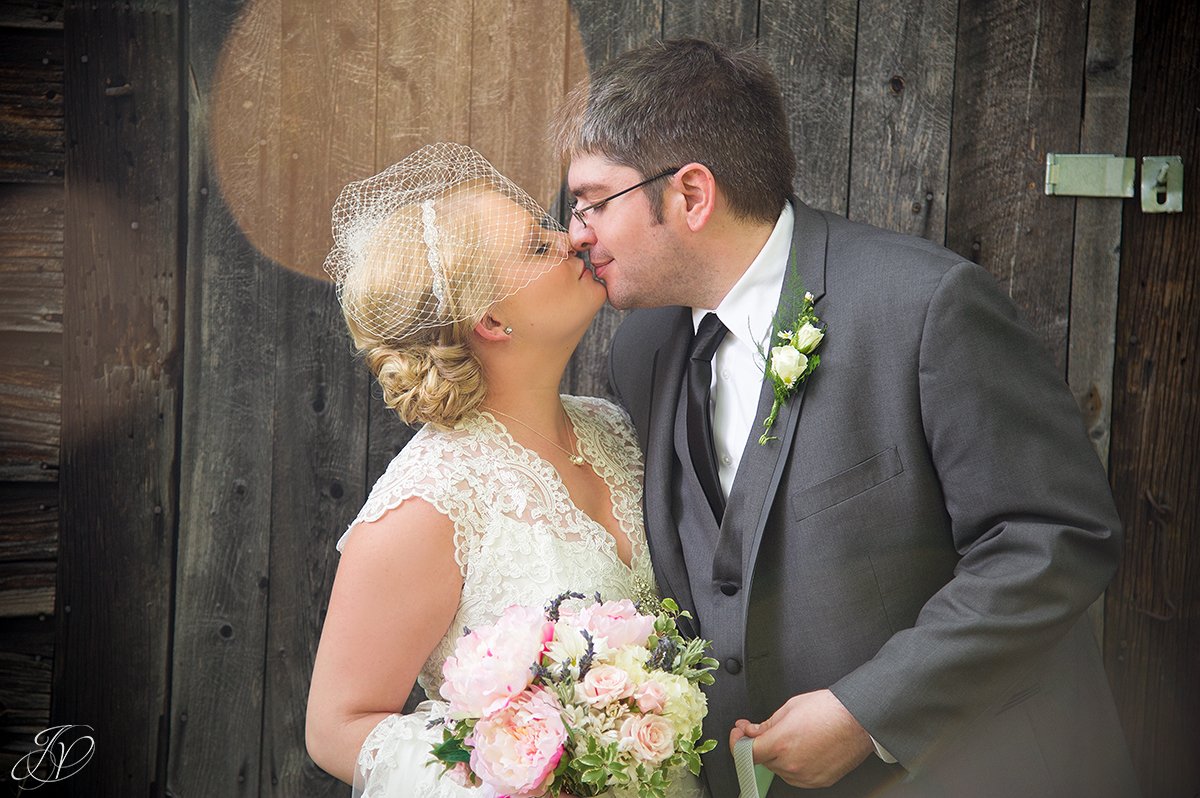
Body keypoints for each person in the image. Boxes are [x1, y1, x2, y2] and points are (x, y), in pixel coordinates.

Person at [553, 38, 1140, 797]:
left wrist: (868, 712)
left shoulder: (927, 307)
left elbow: (1054, 539)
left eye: (594, 201)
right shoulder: (643, 350)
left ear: (691, 195)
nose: (576, 233)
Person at [304, 142, 705, 797]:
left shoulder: (615, 429)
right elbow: (335, 727)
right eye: (536, 246)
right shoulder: (428, 504)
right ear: (491, 319)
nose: (573, 237)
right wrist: (506, 777)